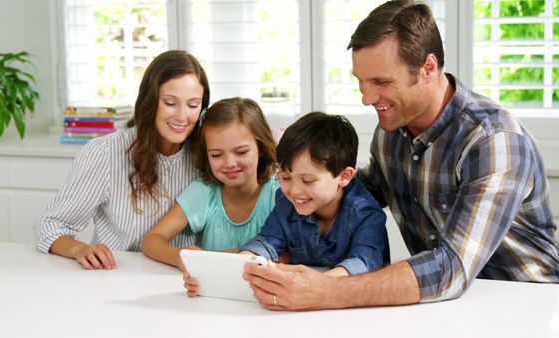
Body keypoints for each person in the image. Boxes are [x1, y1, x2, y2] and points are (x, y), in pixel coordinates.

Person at [242, 0, 559, 311]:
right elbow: (354, 192)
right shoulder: (390, 133)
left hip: (527, 307)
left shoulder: (493, 142)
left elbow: (451, 269)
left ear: (428, 68)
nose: (367, 98)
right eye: (361, 82)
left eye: (381, 82)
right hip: (444, 306)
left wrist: (326, 290)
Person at [33, 50, 210, 270]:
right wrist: (79, 249)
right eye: (170, 103)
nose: (182, 116)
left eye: (193, 105)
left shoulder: (208, 155)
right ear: (151, 101)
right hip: (114, 278)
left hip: (183, 282)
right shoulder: (106, 153)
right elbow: (51, 224)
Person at [239, 112, 388, 280]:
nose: (294, 190)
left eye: (308, 180)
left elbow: (363, 262)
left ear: (344, 176)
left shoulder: (366, 214)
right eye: (285, 177)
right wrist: (246, 258)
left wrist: (317, 283)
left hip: (356, 301)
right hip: (299, 295)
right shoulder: (286, 202)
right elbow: (267, 241)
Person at [142, 97, 278, 275]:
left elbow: (287, 255)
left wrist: (214, 257)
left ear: (260, 147)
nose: (230, 163)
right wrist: (178, 256)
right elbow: (151, 240)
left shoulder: (278, 195)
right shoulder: (204, 192)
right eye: (216, 155)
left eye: (241, 152)